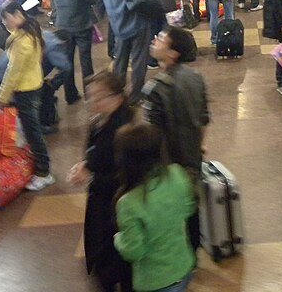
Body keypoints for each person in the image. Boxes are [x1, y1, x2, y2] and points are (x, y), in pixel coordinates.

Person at [142, 26, 210, 252]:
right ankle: (194, 251)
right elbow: (203, 120)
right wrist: (197, 148)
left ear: (173, 54)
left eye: (161, 39)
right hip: (192, 158)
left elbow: (151, 134)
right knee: (192, 207)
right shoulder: (196, 78)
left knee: (167, 210)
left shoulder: (155, 89)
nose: (155, 40)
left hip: (167, 163)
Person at [67, 71, 134, 292]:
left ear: (117, 97)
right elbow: (93, 152)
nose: (92, 102)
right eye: (90, 96)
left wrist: (92, 175)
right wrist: (85, 165)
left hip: (114, 204)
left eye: (99, 97)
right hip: (101, 198)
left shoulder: (124, 129)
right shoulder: (100, 120)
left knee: (112, 254)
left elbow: (127, 175)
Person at [113, 122, 196, 292]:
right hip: (183, 266)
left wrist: (118, 239)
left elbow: (134, 251)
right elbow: (188, 209)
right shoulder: (177, 173)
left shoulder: (128, 203)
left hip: (155, 281)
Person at [0, 2, 54, 191]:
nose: (5, 23)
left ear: (17, 14)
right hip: (33, 84)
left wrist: (2, 96)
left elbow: (13, 72)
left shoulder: (22, 40)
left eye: (6, 18)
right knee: (30, 129)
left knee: (32, 131)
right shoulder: (30, 30)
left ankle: (44, 173)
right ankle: (37, 166)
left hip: (25, 90)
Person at [100, 0, 161, 103]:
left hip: (117, 25)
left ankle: (117, 93)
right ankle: (135, 95)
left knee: (120, 60)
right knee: (139, 61)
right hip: (138, 24)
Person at [49, 0, 97, 101]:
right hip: (82, 26)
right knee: (86, 61)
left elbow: (53, 6)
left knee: (67, 61)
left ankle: (70, 95)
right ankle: (89, 94)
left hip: (63, 27)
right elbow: (93, 0)